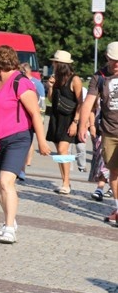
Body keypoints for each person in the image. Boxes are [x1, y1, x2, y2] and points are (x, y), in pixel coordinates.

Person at [0, 45, 49, 243]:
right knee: (0, 184)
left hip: (17, 138)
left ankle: (10, 228)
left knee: (6, 181)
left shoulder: (21, 83)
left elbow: (35, 115)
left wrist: (42, 141)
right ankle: (8, 220)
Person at [79, 42, 118, 224]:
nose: (117, 64)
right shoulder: (99, 76)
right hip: (109, 131)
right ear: (107, 58)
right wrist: (82, 126)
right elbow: (88, 103)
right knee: (113, 171)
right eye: (114, 60)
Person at [46, 50, 83, 195]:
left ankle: (66, 183)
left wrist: (75, 122)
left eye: (54, 62)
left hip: (69, 119)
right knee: (60, 152)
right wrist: (50, 86)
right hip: (56, 118)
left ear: (60, 64)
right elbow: (50, 100)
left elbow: (81, 102)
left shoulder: (75, 80)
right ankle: (65, 181)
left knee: (62, 150)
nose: (52, 64)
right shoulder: (55, 79)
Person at [19, 62, 45, 172]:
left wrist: (40, 114)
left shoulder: (36, 83)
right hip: (27, 114)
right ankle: (25, 164)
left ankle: (27, 162)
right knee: (27, 138)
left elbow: (42, 100)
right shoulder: (25, 82)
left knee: (28, 139)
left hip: (33, 113)